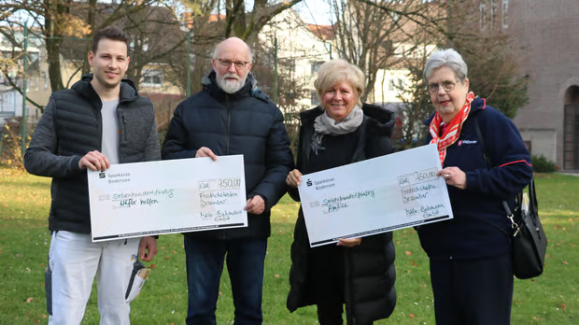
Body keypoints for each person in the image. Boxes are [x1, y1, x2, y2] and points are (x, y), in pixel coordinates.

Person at [24, 26, 160, 324]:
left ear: (127, 62)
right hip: (74, 225)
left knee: (116, 314)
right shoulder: (63, 102)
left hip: (124, 229)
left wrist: (150, 231)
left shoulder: (143, 108)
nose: (112, 64)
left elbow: (152, 170)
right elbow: (33, 158)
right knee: (65, 316)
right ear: (91, 58)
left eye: (119, 58)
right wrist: (76, 162)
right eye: (106, 56)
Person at [161, 37, 294, 325]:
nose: (231, 68)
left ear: (249, 66)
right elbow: (167, 155)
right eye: (225, 61)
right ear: (214, 64)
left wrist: (264, 197)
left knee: (249, 312)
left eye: (239, 62)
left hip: (251, 227)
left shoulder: (269, 112)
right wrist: (190, 156)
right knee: (199, 312)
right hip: (201, 228)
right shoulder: (188, 109)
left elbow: (282, 164)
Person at [416, 48, 533, 325]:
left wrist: (469, 180)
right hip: (443, 254)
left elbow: (521, 171)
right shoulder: (432, 134)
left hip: (484, 253)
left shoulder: (489, 122)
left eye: (448, 84)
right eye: (434, 86)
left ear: (465, 84)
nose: (441, 92)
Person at [285, 59, 397, 325]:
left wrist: (364, 234)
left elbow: (389, 194)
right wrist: (293, 181)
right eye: (330, 91)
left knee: (361, 317)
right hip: (321, 244)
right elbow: (304, 189)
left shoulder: (373, 133)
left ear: (356, 94)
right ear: (321, 93)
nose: (337, 97)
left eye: (344, 91)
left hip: (362, 249)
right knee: (328, 313)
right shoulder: (310, 130)